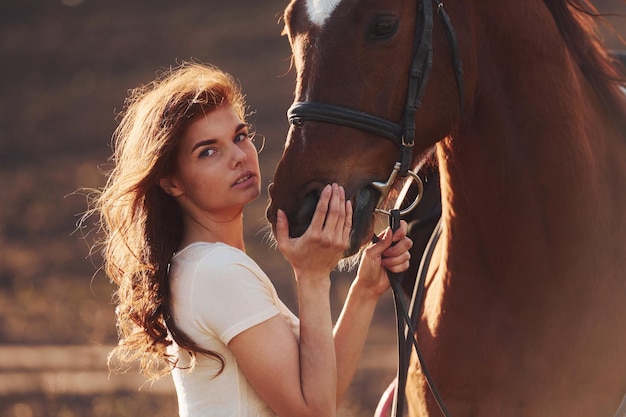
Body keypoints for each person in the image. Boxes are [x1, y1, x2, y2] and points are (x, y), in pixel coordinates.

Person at [91, 61, 412, 417]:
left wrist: (364, 291)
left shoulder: (200, 265)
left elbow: (321, 391)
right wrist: (313, 275)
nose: (238, 157)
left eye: (240, 136)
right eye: (208, 151)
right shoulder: (218, 271)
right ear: (171, 182)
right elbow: (315, 412)